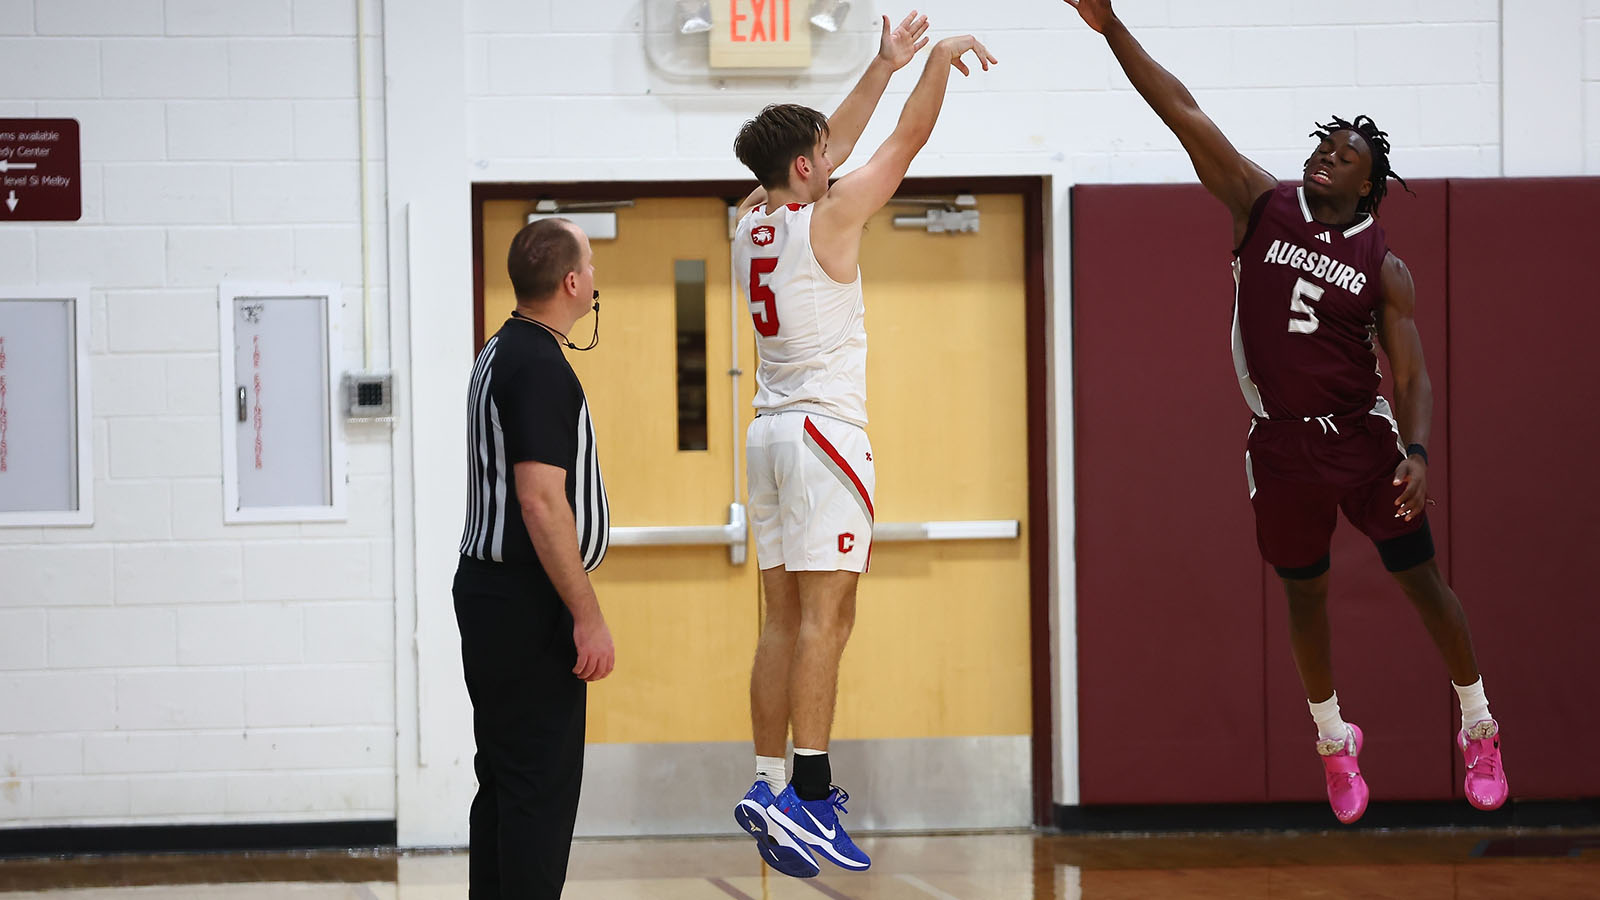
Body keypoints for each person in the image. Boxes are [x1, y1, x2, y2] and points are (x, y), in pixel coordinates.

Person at [1063, 0, 1509, 824]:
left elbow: (1411, 373)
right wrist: (1112, 28)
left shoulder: (1387, 265)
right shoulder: (1260, 206)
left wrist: (1417, 451)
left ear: (1369, 180)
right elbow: (1183, 112)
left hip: (1367, 445)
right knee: (1305, 598)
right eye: (1322, 145)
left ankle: (1478, 723)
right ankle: (1336, 742)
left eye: (1344, 155)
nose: (1325, 157)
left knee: (1422, 584)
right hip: (1280, 447)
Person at [727, 11, 998, 878]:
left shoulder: (750, 219)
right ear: (809, 168)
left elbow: (820, 147)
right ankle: (808, 791)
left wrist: (879, 65)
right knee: (828, 620)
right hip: (822, 435)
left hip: (766, 434)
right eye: (824, 156)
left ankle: (768, 783)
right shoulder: (831, 218)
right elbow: (905, 141)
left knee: (780, 619)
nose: (838, 158)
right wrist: (937, 65)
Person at [453, 217, 615, 898]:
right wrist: (587, 614)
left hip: (491, 594)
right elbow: (542, 502)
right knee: (537, 795)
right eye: (593, 265)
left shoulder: (501, 348)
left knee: (506, 784)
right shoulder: (540, 366)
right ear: (572, 282)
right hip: (526, 603)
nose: (597, 277)